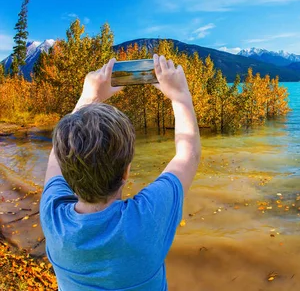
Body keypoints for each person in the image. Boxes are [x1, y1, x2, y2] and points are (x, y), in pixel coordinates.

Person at [40, 54, 201, 290]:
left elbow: (55, 156)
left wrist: (88, 97)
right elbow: (189, 155)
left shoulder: (53, 218)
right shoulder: (144, 219)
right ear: (126, 172)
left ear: (66, 169)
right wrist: (180, 95)